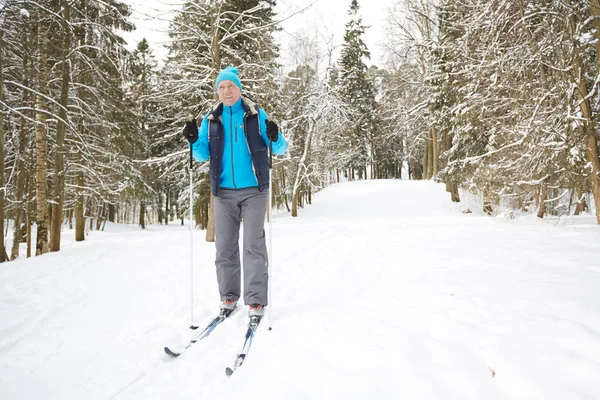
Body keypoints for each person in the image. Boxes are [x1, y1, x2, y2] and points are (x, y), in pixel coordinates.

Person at [182, 66, 288, 319]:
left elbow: (280, 148)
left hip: (254, 190)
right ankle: (228, 297)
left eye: (231, 86)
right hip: (223, 192)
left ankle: (256, 301)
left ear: (239, 89)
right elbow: (202, 154)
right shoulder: (211, 119)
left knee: (253, 245)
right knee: (225, 248)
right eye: (221, 87)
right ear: (217, 91)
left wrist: (275, 135)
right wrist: (193, 140)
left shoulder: (254, 114)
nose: (226, 91)